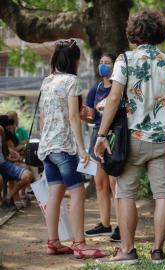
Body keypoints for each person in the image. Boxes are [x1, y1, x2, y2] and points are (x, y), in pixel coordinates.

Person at [94, 9, 165, 264]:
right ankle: (157, 251)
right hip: (164, 140)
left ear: (135, 32)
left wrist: (102, 135)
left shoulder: (125, 60)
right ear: (159, 32)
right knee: (163, 195)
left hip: (131, 139)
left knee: (125, 194)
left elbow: (113, 97)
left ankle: (127, 250)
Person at [37, 39, 106, 258]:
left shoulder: (47, 81)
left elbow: (45, 116)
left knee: (54, 194)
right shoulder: (72, 81)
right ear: (74, 60)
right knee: (77, 192)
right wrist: (82, 149)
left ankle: (53, 242)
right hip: (64, 148)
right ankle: (79, 244)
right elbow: (74, 117)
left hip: (46, 147)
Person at [84, 53, 120, 242]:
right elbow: (90, 116)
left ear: (115, 66)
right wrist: (81, 114)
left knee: (115, 184)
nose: (103, 66)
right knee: (100, 183)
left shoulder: (119, 87)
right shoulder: (94, 89)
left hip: (114, 136)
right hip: (97, 136)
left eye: (107, 62)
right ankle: (104, 224)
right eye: (101, 62)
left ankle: (122, 226)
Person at [0, 115, 34, 212]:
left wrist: (12, 155)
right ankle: (3, 202)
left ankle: (8, 198)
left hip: (3, 164)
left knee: (28, 175)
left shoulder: (1, 130)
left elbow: (4, 152)